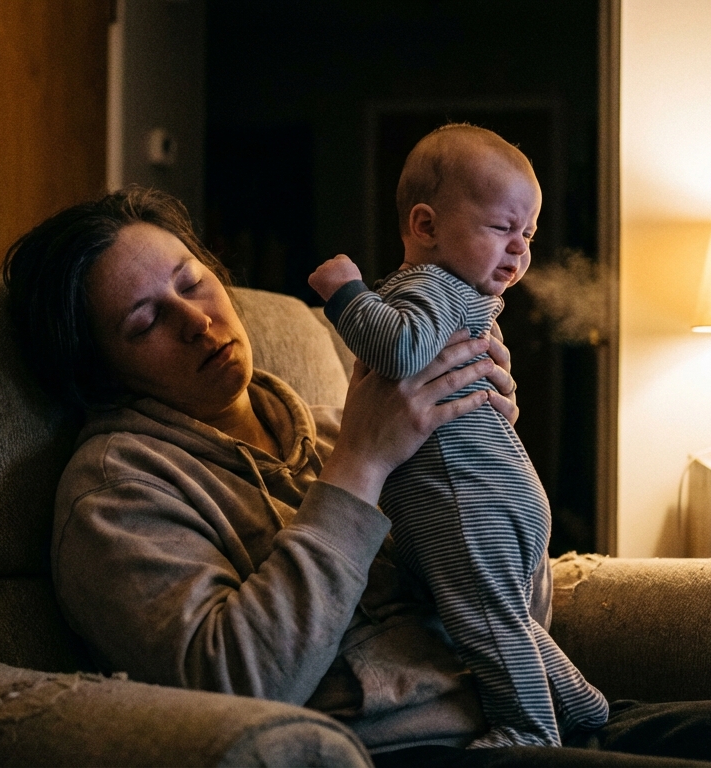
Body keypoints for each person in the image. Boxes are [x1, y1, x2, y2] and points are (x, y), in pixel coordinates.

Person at [2, 185, 711, 767]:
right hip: (418, 754)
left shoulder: (306, 417)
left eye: (192, 282)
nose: (198, 320)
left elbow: (509, 600)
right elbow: (235, 684)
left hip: (528, 708)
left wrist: (487, 456)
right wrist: (359, 470)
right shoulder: (116, 492)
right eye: (148, 321)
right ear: (100, 369)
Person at [306, 124, 608, 748]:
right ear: (425, 226)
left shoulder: (431, 288)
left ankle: (528, 732)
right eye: (503, 229)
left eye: (528, 234)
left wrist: (344, 292)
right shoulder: (444, 290)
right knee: (503, 622)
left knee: (489, 623)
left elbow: (399, 346)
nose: (520, 252)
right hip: (490, 498)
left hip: (468, 504)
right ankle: (582, 703)